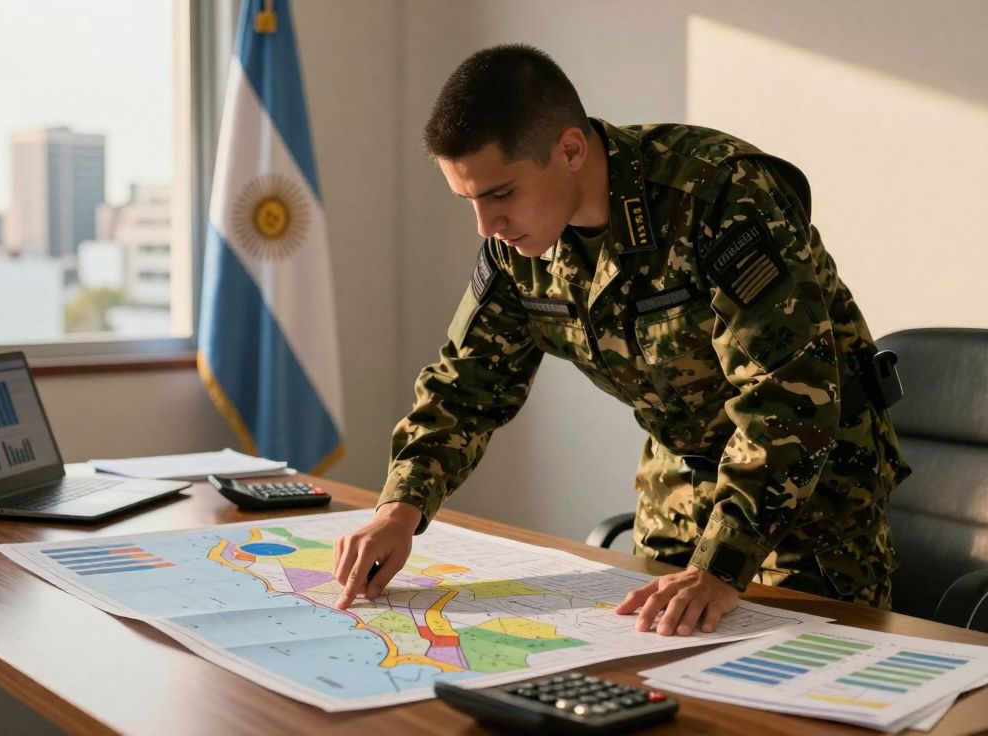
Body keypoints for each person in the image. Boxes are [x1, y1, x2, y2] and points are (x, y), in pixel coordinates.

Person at [332, 44, 909, 637]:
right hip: (679, 488)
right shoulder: (518, 247)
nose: (487, 228)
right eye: (469, 201)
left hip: (809, 501)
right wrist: (398, 511)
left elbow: (788, 395)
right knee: (651, 679)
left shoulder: (717, 195)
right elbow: (466, 388)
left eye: (500, 194)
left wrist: (719, 567)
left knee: (789, 702)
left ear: (571, 150)